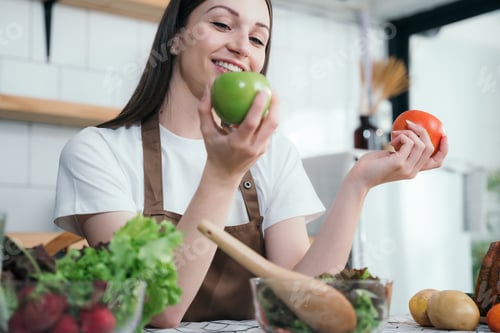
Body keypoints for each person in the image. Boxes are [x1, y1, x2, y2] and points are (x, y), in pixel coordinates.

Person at [53, 0, 448, 329]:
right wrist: (222, 175)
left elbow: (298, 296)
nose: (242, 46)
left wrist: (358, 184)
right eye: (223, 23)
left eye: (258, 38)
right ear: (176, 36)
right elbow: (155, 307)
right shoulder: (98, 151)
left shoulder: (273, 154)